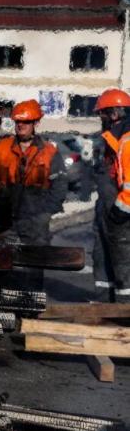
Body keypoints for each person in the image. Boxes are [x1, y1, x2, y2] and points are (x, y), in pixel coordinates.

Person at [0, 99, 66, 290]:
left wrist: (45, 213)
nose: (20, 125)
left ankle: (31, 306)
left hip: (35, 220)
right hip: (5, 217)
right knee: (3, 262)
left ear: (35, 124)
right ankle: (3, 303)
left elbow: (60, 186)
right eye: (17, 121)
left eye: (26, 122)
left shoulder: (49, 152)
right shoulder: (1, 148)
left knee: (33, 264)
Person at [93, 89, 130, 303]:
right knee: (103, 259)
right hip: (109, 211)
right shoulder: (114, 139)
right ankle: (102, 309)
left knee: (124, 267)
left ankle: (124, 318)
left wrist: (118, 211)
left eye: (103, 114)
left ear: (114, 114)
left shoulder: (127, 141)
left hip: (121, 215)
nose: (101, 119)